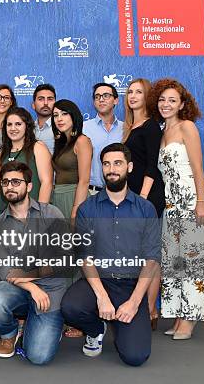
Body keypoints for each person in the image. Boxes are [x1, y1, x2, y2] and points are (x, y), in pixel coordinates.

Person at [61, 143, 161, 366]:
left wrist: (135, 302)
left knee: (135, 357)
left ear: (130, 167)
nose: (112, 169)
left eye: (118, 163)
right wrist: (102, 296)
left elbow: (152, 259)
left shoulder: (145, 209)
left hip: (130, 285)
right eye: (106, 164)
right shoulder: (87, 208)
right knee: (70, 307)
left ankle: (122, 319)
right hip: (98, 279)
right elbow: (84, 256)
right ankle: (97, 329)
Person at [0, 161, 69, 365]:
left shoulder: (51, 214)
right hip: (19, 288)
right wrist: (30, 286)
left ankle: (39, 325)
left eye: (15, 181)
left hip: (51, 289)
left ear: (29, 186)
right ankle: (9, 333)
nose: (9, 187)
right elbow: (2, 269)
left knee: (38, 356)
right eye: (5, 182)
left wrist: (33, 275)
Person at [150, 78, 204, 339]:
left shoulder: (187, 127)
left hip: (192, 201)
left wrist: (201, 202)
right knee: (176, 263)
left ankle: (189, 320)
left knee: (194, 262)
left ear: (182, 104)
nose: (166, 104)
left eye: (172, 100)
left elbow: (198, 168)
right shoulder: (162, 130)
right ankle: (179, 316)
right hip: (172, 203)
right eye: (162, 99)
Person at [122, 78, 164, 329]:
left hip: (147, 197)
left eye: (139, 92)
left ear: (147, 96)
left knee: (150, 254)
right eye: (130, 92)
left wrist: (143, 201)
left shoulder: (150, 127)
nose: (133, 96)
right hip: (133, 195)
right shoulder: (130, 126)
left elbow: (151, 165)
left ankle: (150, 310)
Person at [0, 107, 52, 216]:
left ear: (27, 126)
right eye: (9, 124)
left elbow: (46, 182)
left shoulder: (38, 147)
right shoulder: (2, 153)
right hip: (4, 214)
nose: (13, 128)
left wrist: (39, 215)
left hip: (30, 214)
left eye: (18, 124)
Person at [51, 99, 92, 220]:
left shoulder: (82, 141)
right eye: (55, 115)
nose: (59, 118)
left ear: (74, 116)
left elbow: (84, 181)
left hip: (74, 197)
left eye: (64, 114)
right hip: (58, 197)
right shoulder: (62, 142)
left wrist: (75, 210)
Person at [83, 83, 124, 194]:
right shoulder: (83, 128)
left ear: (116, 100)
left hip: (120, 192)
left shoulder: (126, 129)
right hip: (91, 192)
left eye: (106, 95)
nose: (101, 99)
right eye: (97, 97)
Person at [31, 83, 56, 154]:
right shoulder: (28, 129)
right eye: (41, 99)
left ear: (55, 104)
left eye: (50, 99)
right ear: (33, 105)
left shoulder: (62, 128)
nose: (45, 103)